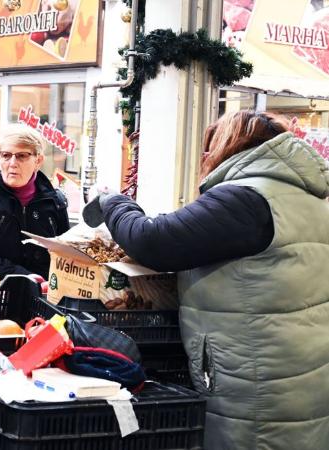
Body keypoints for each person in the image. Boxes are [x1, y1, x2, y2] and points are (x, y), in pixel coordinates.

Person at [88, 111, 329, 450]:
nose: (204, 159)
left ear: (229, 146)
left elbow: (151, 240)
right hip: (298, 370)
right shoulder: (304, 196)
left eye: (208, 149)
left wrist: (113, 201)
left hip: (254, 381)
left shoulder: (246, 197)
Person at [0, 123, 69, 278]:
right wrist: (24, 278)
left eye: (22, 156)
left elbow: (66, 257)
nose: (12, 163)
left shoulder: (56, 201)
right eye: (6, 155)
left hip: (45, 296)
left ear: (38, 160)